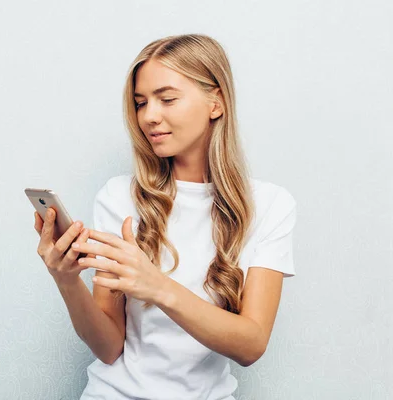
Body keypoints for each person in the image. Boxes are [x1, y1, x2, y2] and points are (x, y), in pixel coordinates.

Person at [33, 33, 297, 400]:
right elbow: (109, 347)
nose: (149, 116)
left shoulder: (270, 205)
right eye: (141, 103)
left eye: (167, 99)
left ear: (216, 103)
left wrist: (157, 286)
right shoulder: (118, 197)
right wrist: (66, 281)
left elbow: (251, 345)